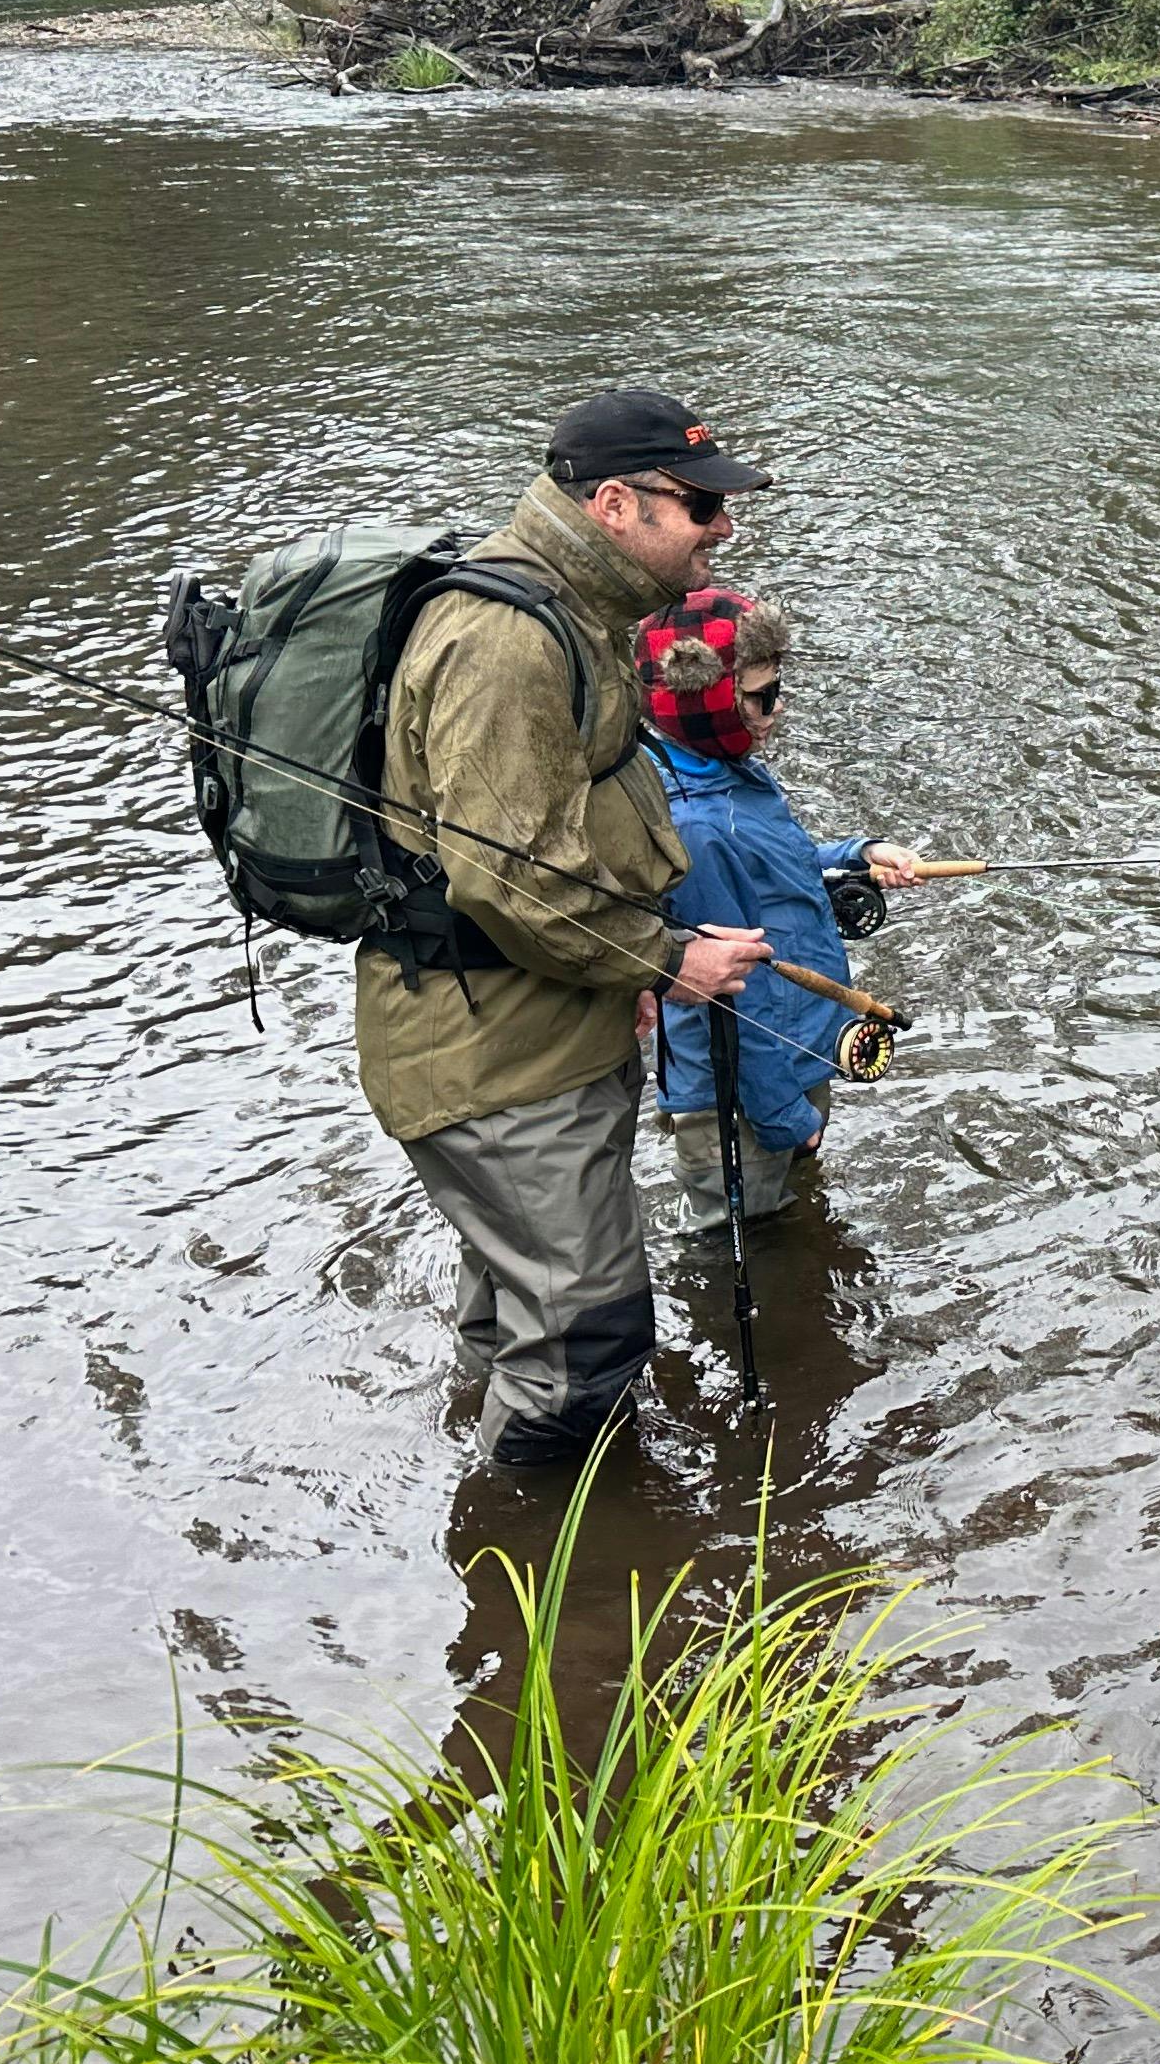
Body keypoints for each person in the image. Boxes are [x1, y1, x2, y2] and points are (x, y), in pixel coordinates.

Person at [357, 388, 778, 1468]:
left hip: (532, 1020)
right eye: (700, 505)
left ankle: (482, 1491)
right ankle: (545, 1576)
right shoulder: (506, 640)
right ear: (613, 505)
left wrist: (619, 969)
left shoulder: (576, 611)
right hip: (495, 1057)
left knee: (517, 1310)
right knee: (587, 1335)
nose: (722, 527)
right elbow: (511, 879)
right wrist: (672, 957)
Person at [637, 587, 915, 1232]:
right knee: (748, 1241)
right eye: (762, 697)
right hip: (749, 1090)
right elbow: (738, 1002)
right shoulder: (697, 829)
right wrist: (785, 1116)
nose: (777, 707)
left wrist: (856, 853)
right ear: (712, 706)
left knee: (795, 1220)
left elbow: (775, 866)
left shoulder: (724, 776)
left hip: (793, 1063)